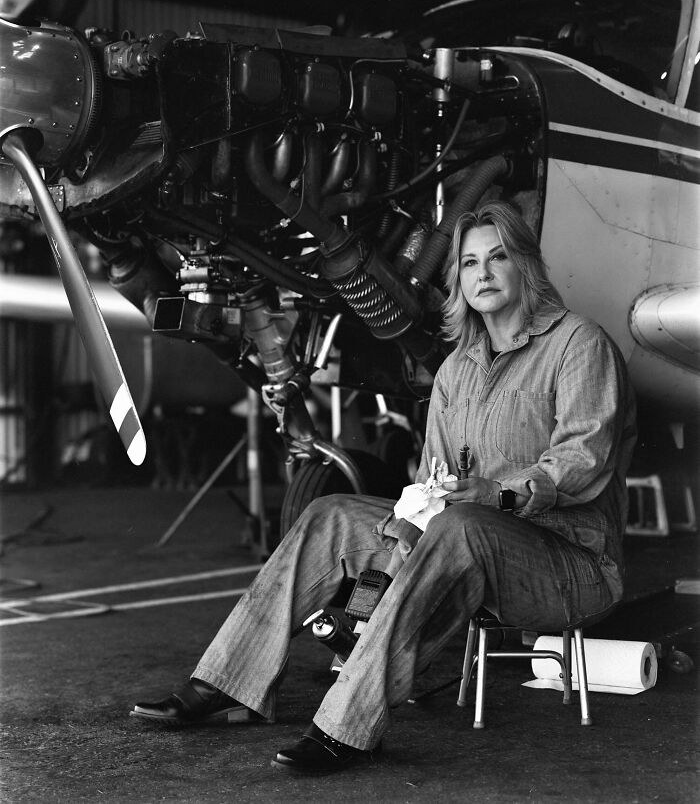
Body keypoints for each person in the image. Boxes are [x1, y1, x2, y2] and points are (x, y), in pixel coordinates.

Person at [130, 200, 637, 774]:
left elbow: (582, 459)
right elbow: (433, 482)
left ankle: (346, 725)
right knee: (332, 514)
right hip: (464, 543)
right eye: (469, 263)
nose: (484, 274)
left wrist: (495, 495)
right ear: (459, 281)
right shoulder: (455, 371)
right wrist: (402, 529)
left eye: (499, 257)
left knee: (460, 526)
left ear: (527, 268)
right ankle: (226, 683)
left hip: (569, 562)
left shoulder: (579, 344)